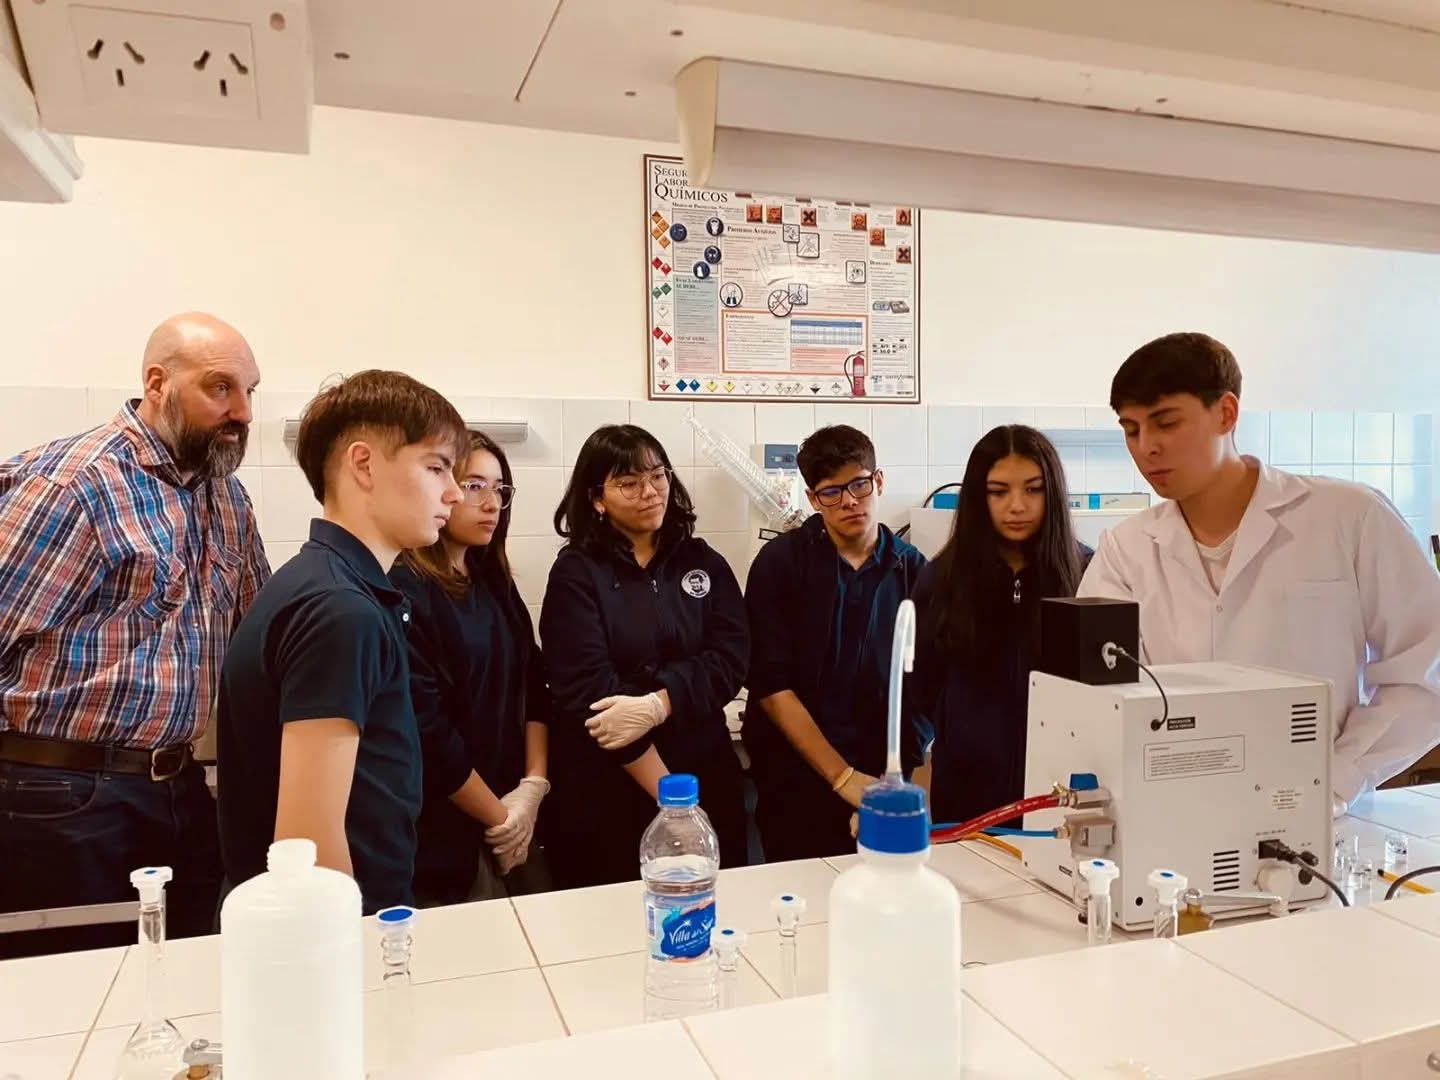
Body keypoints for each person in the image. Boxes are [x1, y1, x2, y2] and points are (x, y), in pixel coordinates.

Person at [0, 313, 267, 958]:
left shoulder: (224, 498)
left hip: (173, 787)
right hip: (57, 794)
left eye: (250, 392)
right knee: (73, 992)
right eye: (220, 388)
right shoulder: (73, 484)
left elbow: (260, 629)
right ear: (157, 383)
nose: (242, 413)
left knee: (189, 970)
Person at [1079, 332, 1440, 809]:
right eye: (1131, 429)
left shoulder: (1348, 516)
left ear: (1226, 413)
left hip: (1322, 816)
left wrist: (1335, 780)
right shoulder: (1126, 548)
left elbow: (1425, 671)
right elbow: (1095, 697)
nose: (1147, 448)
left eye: (1165, 422)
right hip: (1173, 812)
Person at [216, 370, 466, 913]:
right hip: (333, 931)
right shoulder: (340, 611)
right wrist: (344, 958)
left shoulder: (327, 584)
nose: (452, 492)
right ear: (364, 464)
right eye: (436, 467)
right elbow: (307, 845)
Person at [540, 424, 749, 888]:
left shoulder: (702, 561)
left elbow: (732, 658)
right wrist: (672, 801)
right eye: (629, 483)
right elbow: (591, 693)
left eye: (658, 476)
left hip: (706, 775)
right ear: (597, 498)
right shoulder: (576, 574)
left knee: (714, 910)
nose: (650, 492)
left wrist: (660, 702)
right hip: (612, 787)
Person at [743, 425, 927, 861]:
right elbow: (771, 686)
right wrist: (843, 778)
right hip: (797, 778)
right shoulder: (780, 565)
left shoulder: (913, 571)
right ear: (812, 498)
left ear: (878, 481)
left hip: (886, 777)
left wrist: (895, 784)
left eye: (859, 485)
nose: (849, 501)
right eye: (831, 491)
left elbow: (926, 687)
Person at [390, 430, 552, 905]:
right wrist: (501, 819)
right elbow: (429, 733)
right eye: (475, 485)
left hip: (515, 811)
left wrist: (533, 788)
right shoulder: (406, 589)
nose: (491, 503)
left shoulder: (493, 581)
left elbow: (534, 685)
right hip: (446, 829)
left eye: (500, 489)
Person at [909, 426, 1088, 826]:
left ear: (1053, 493)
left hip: (1061, 788)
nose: (1017, 505)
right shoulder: (941, 579)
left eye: (1033, 489)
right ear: (978, 496)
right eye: (999, 491)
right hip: (967, 790)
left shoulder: (1087, 574)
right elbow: (922, 684)